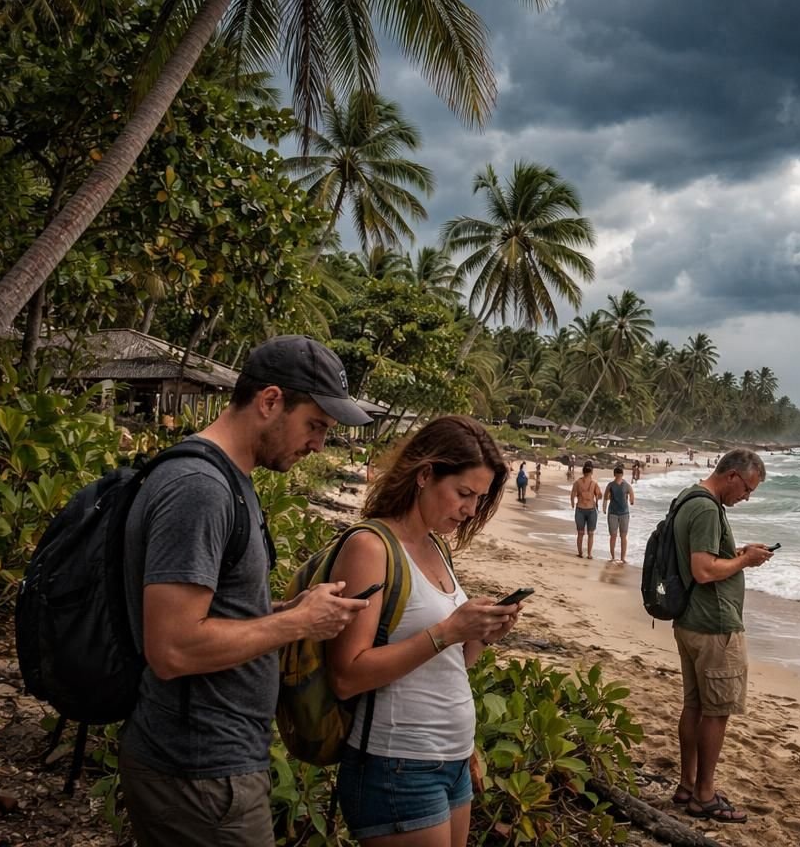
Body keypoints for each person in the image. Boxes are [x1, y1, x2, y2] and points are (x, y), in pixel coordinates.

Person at [120, 335, 374, 847]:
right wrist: (297, 624)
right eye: (316, 426)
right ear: (271, 401)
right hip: (200, 772)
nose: (319, 445)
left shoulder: (225, 480)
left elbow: (210, 613)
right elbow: (171, 648)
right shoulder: (200, 489)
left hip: (209, 766)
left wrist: (284, 609)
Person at [325, 416, 523, 845]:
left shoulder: (436, 547)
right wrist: (449, 630)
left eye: (479, 498)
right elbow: (347, 675)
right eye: (464, 494)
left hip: (450, 760)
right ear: (425, 474)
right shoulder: (371, 547)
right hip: (397, 763)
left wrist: (480, 635)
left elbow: (450, 663)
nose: (470, 509)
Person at [669, 450, 775, 823]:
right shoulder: (707, 508)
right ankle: (704, 794)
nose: (746, 497)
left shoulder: (689, 498)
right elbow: (703, 570)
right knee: (717, 712)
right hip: (713, 625)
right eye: (747, 489)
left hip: (689, 621)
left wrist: (739, 552)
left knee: (695, 706)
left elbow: (706, 557)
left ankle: (688, 784)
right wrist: (744, 561)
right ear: (731, 475)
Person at [602, 464, 635, 563]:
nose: (619, 476)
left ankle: (622, 557)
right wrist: (604, 507)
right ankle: (613, 556)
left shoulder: (626, 485)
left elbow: (632, 495)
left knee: (623, 536)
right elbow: (605, 497)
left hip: (624, 513)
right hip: (613, 512)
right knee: (613, 535)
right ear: (615, 474)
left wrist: (631, 500)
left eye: (620, 474)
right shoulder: (611, 485)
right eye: (618, 474)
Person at [569, 462, 602, 559]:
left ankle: (580, 553)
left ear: (583, 471)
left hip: (580, 509)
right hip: (591, 510)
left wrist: (572, 504)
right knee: (590, 533)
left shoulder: (577, 483)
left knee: (580, 533)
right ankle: (589, 554)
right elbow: (599, 495)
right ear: (592, 471)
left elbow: (572, 495)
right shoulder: (594, 483)